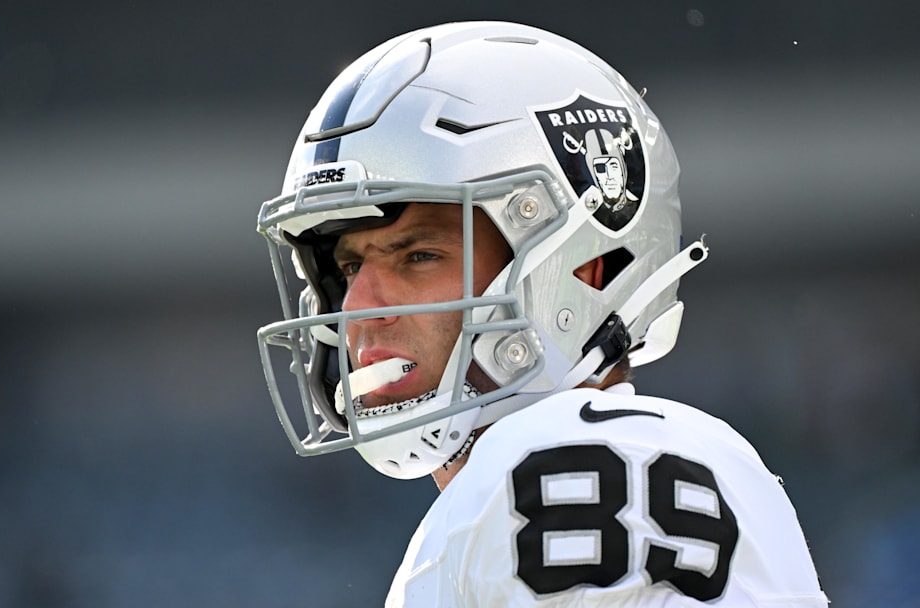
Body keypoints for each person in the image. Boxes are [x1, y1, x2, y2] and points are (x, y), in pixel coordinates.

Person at [255, 21, 828, 607]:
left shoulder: (576, 466)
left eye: (419, 255)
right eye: (349, 269)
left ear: (590, 267)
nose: (357, 311)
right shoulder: (708, 464)